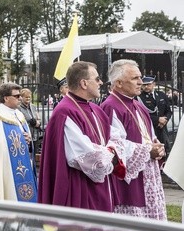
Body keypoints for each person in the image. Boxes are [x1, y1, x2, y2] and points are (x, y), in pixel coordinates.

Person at [38, 61, 125, 212]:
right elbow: (84, 155)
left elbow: (115, 136)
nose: (101, 82)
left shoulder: (95, 109)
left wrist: (111, 148)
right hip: (79, 185)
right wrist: (111, 152)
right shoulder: (64, 112)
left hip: (102, 182)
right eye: (97, 79)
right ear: (84, 83)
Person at [100, 60, 166, 220]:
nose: (140, 82)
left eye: (140, 77)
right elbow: (115, 145)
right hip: (129, 179)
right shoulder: (110, 106)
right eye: (135, 78)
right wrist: (147, 151)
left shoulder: (138, 105)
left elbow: (148, 136)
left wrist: (157, 146)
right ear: (119, 83)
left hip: (149, 171)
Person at [139, 75, 172, 158]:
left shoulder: (161, 95)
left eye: (148, 84)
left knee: (165, 150)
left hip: (162, 128)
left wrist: (165, 120)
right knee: (154, 153)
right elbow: (140, 115)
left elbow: (168, 111)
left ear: (154, 84)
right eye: (144, 85)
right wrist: (157, 120)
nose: (146, 87)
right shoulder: (139, 97)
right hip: (150, 128)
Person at [18, 88, 41, 173]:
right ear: (21, 98)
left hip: (34, 135)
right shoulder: (19, 108)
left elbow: (38, 119)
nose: (28, 99)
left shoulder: (33, 107)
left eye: (29, 97)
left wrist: (37, 123)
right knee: (25, 157)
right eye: (26, 97)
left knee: (33, 157)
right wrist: (29, 123)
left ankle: (33, 172)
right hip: (25, 137)